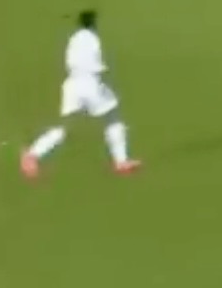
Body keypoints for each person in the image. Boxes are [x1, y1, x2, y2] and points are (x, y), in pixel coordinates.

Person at [21, 10, 140, 179]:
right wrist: (103, 73)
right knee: (113, 118)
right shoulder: (92, 39)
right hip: (90, 84)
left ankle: (32, 154)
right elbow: (93, 64)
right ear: (93, 23)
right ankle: (121, 162)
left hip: (72, 84)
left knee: (65, 127)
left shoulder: (74, 38)